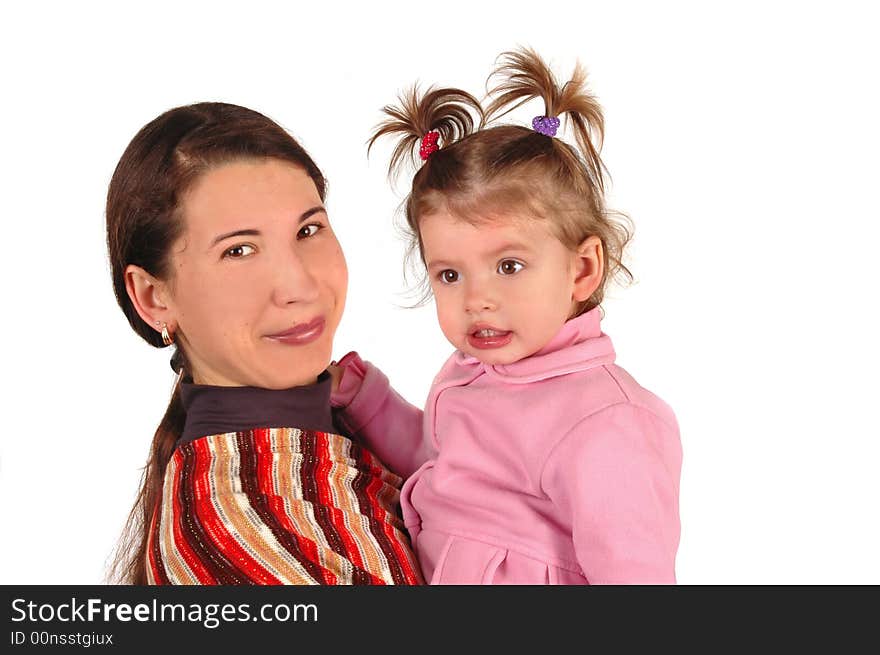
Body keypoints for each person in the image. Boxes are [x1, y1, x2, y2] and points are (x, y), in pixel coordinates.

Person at [330, 48, 683, 584]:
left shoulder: (606, 420)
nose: (478, 298)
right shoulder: (471, 374)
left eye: (509, 265)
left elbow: (635, 574)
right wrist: (366, 400)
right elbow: (439, 463)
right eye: (450, 275)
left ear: (582, 270)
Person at [106, 102, 422, 585]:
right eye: (238, 250)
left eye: (308, 230)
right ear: (153, 297)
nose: (298, 284)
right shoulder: (229, 543)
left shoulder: (358, 420)